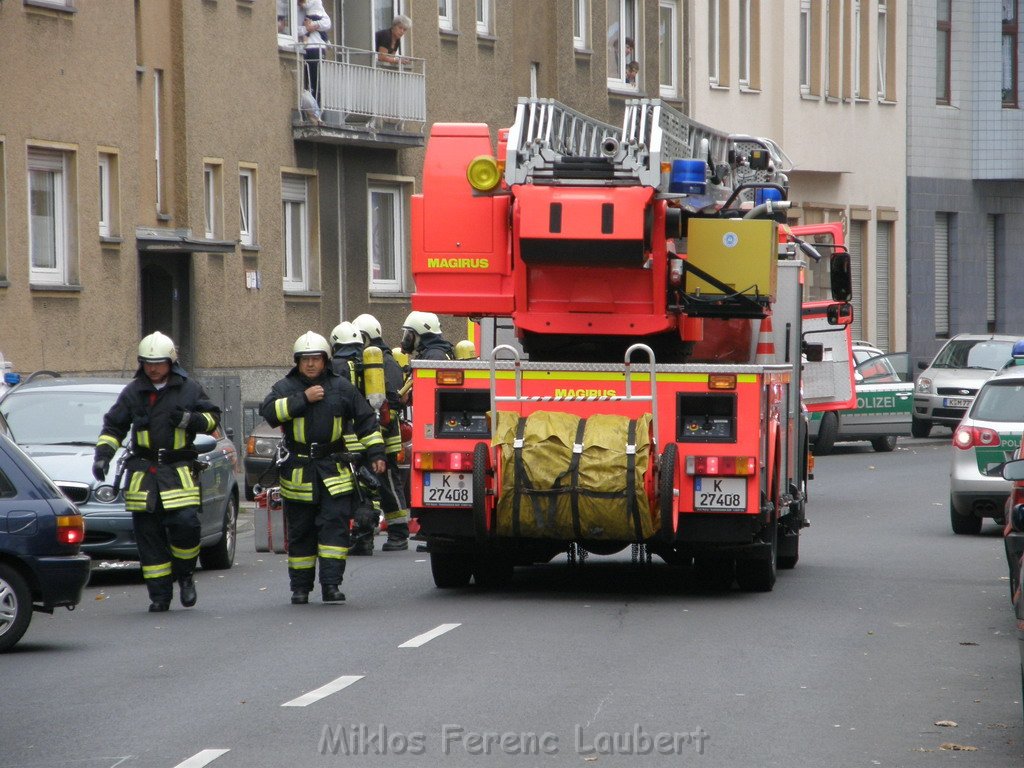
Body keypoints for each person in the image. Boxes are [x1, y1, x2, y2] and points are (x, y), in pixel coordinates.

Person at [92, 332, 221, 612]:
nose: (153, 368)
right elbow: (114, 427)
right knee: (148, 538)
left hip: (178, 471)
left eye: (159, 363)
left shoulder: (189, 389)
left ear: (170, 362)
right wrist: (103, 456)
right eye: (148, 363)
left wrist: (189, 420)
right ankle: (160, 596)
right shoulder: (133, 392)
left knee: (186, 525)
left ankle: (185, 574)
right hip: (144, 472)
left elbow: (213, 418)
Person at [260, 331, 385, 604]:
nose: (310, 364)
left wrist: (376, 452)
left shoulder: (341, 388)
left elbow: (366, 421)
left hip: (333, 470)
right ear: (297, 362)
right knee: (301, 532)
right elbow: (268, 412)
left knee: (335, 529)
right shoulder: (286, 387)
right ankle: (300, 589)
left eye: (315, 358)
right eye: (305, 360)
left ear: (325, 360)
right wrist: (302, 399)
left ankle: (331, 586)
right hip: (299, 472)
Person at [352, 313, 410, 552]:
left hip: (385, 437)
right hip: (371, 434)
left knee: (388, 485)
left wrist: (378, 427)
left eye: (359, 338)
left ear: (366, 337)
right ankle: (366, 532)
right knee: (369, 484)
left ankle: (399, 533)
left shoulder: (384, 363)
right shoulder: (371, 360)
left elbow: (393, 403)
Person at [298, 0, 332, 121]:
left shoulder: (317, 8)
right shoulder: (298, 12)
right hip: (308, 49)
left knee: (317, 83)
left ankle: (317, 113)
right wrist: (307, 29)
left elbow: (327, 23)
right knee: (310, 82)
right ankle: (310, 112)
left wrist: (314, 26)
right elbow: (297, 30)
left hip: (319, 48)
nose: (301, 4)